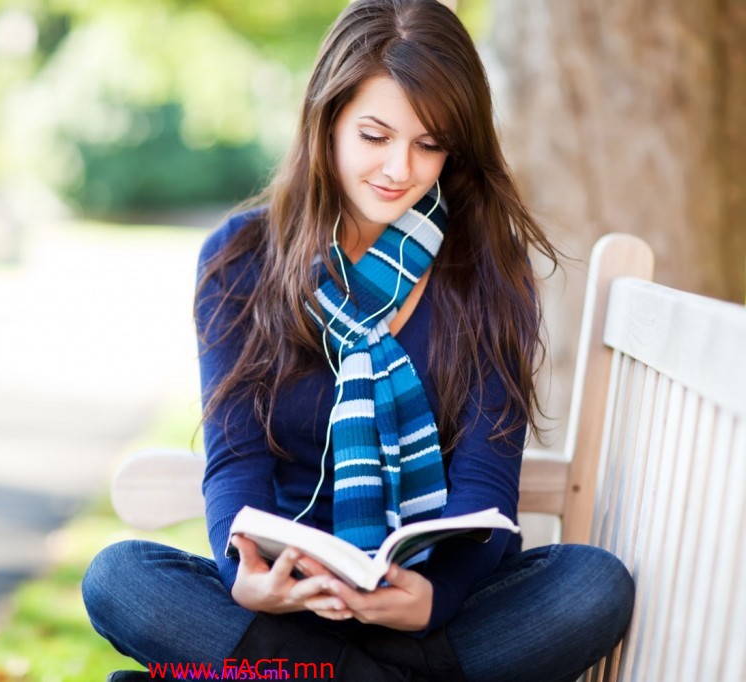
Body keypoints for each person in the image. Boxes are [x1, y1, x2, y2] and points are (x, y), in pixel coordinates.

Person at [83, 1, 634, 680]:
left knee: (592, 585)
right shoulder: (241, 259)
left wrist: (433, 598)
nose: (399, 169)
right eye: (376, 135)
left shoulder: (490, 264)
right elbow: (235, 461)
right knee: (120, 578)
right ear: (329, 119)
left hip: (435, 616)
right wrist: (245, 578)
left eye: (429, 144)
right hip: (288, 612)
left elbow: (486, 485)